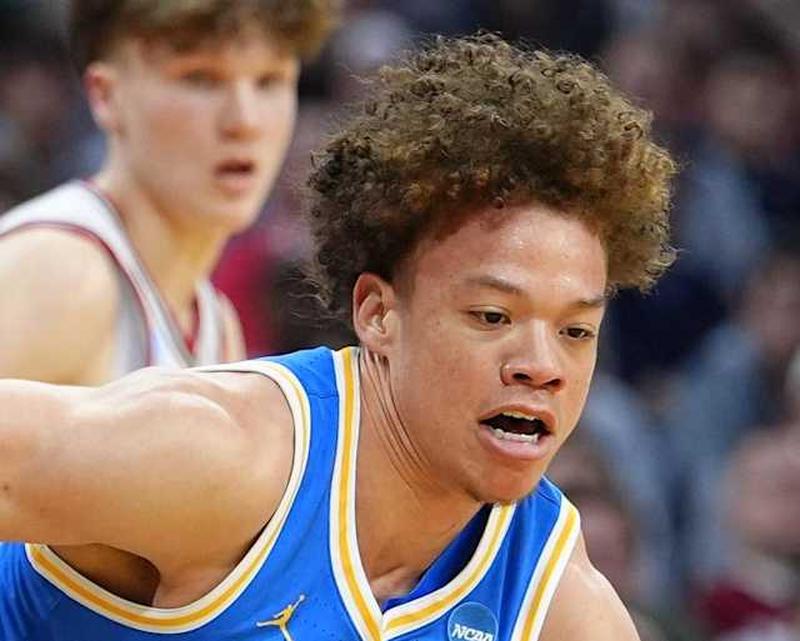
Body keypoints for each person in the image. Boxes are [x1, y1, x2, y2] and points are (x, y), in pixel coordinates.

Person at [0, 32, 677, 641]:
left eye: (576, 330)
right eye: (492, 317)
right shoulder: (227, 459)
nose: (542, 365)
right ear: (379, 314)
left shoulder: (551, 595)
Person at [0, 1, 339, 383]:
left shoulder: (216, 324)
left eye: (269, 80)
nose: (245, 121)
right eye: (200, 79)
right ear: (106, 96)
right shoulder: (61, 272)